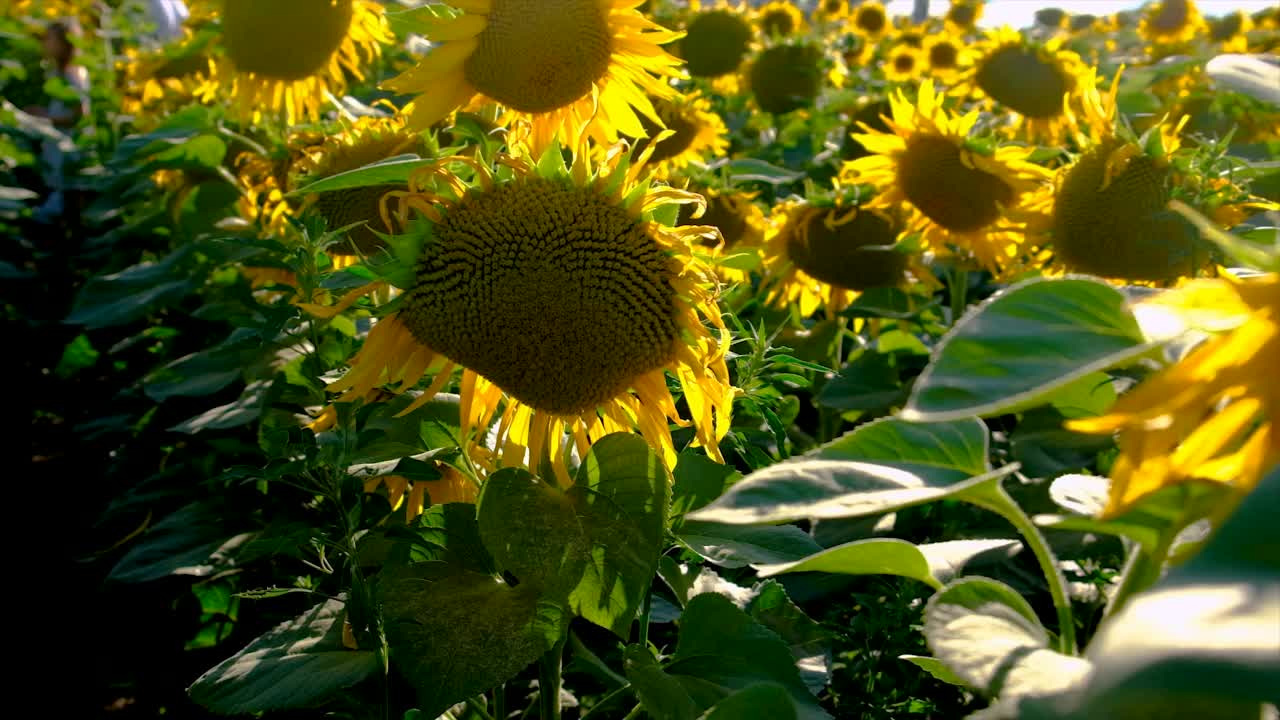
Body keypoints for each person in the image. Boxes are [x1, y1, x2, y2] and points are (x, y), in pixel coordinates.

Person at [23, 20, 90, 222]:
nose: (45, 43)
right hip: (58, 141)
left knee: (68, 193)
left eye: (50, 39)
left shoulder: (74, 73)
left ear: (65, 43)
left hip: (69, 143)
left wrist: (44, 117)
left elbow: (79, 116)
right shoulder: (57, 72)